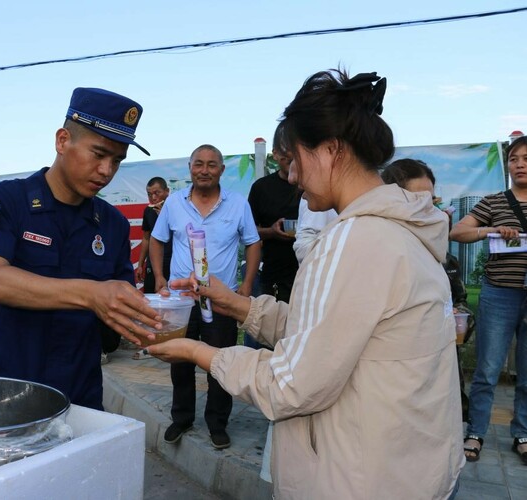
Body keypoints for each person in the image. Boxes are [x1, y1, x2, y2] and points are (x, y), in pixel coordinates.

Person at [148, 69, 462, 499]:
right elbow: (332, 332)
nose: (291, 176)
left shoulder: (354, 240)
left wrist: (197, 351)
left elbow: (290, 385)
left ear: (330, 150)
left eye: (294, 159)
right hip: (403, 468)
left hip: (356, 480)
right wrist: (237, 304)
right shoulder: (404, 228)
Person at [0, 87, 160, 411]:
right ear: (62, 141)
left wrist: (156, 312)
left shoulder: (112, 224)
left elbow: (119, 302)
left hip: (80, 398)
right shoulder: (6, 200)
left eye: (117, 160)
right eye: (98, 154)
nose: (107, 171)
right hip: (9, 394)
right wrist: (91, 295)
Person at [149, 144, 261, 449]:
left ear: (222, 171)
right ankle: (182, 418)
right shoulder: (174, 203)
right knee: (180, 360)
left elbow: (253, 243)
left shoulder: (238, 204)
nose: (205, 170)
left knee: (221, 363)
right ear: (190, 168)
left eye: (212, 165)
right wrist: (159, 277)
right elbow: (157, 241)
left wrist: (246, 285)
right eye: (199, 164)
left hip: (221, 301)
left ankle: (217, 424)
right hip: (181, 301)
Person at [450, 135, 527, 465]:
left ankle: (522, 432)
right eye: (513, 159)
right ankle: (476, 431)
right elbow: (457, 232)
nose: (519, 164)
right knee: (488, 368)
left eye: (526, 158)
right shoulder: (495, 202)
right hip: (499, 293)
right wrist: (491, 231)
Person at [381, 158, 475, 422]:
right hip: (395, 388)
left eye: (431, 201)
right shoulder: (376, 249)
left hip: (437, 377)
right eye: (417, 200)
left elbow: (461, 302)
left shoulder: (443, 257)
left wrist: (458, 315)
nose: (428, 210)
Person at [248, 136, 300, 301]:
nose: (290, 156)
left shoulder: (314, 184)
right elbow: (248, 232)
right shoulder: (262, 188)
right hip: (276, 275)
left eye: (295, 150)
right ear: (275, 154)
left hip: (311, 272)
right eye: (285, 151)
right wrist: (271, 231)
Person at [133, 176, 172, 360]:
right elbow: (147, 238)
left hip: (172, 262)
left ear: (166, 192)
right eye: (149, 194)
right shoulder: (147, 211)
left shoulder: (174, 209)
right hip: (153, 264)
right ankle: (150, 344)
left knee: (171, 303)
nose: (153, 197)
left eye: (157, 193)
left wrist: (163, 215)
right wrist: (141, 263)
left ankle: (171, 343)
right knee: (151, 302)